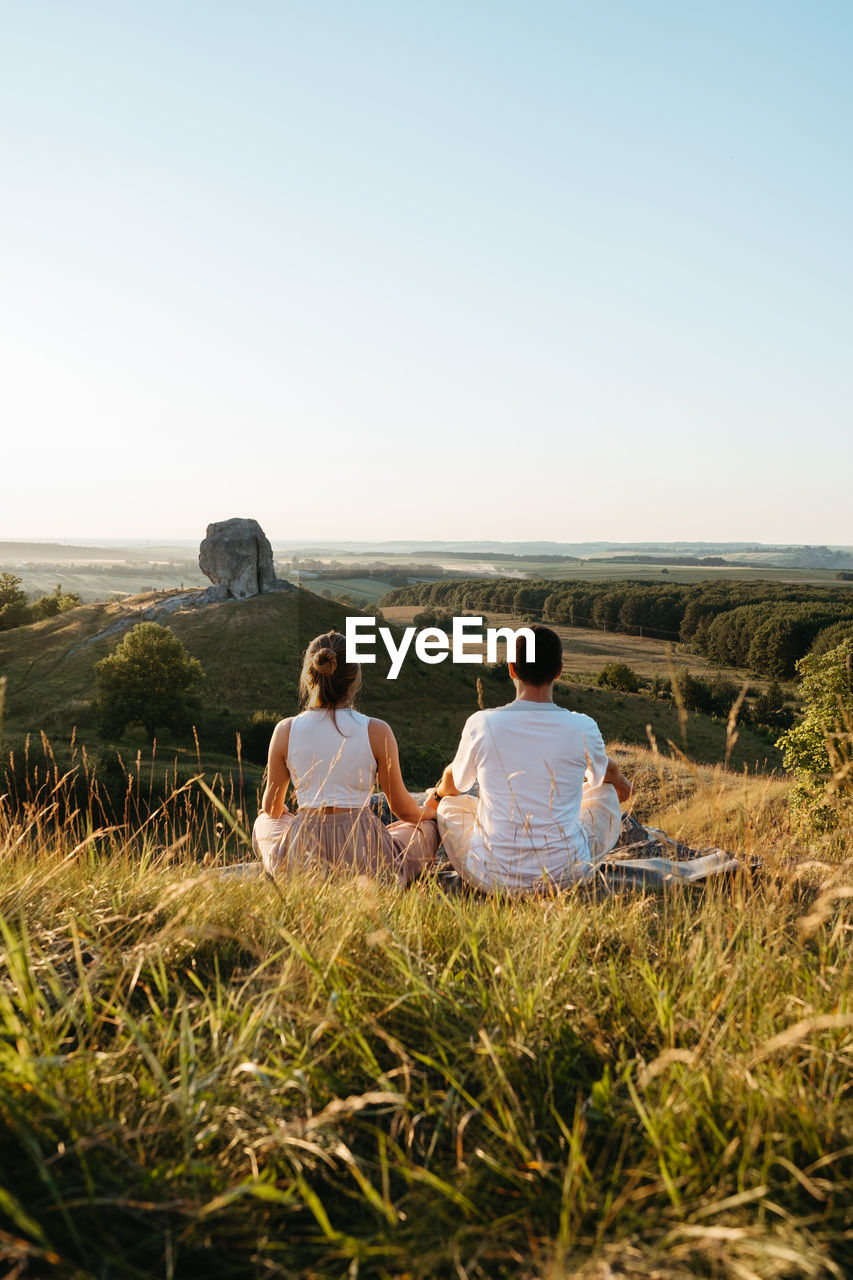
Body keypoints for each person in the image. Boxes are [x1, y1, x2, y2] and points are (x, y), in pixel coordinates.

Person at [424, 624, 632, 893]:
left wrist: (438, 797)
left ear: (511, 668)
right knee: (602, 792)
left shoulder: (482, 722)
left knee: (453, 804)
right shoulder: (583, 727)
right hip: (566, 875)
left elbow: (454, 781)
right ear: (559, 671)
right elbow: (606, 774)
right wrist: (623, 787)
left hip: (490, 876)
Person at [252, 631, 439, 884]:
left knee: (264, 822)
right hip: (365, 857)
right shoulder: (377, 730)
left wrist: (284, 812)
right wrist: (431, 809)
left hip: (303, 855)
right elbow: (402, 809)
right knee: (425, 830)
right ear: (354, 679)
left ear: (309, 676)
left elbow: (271, 807)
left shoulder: (285, 730)